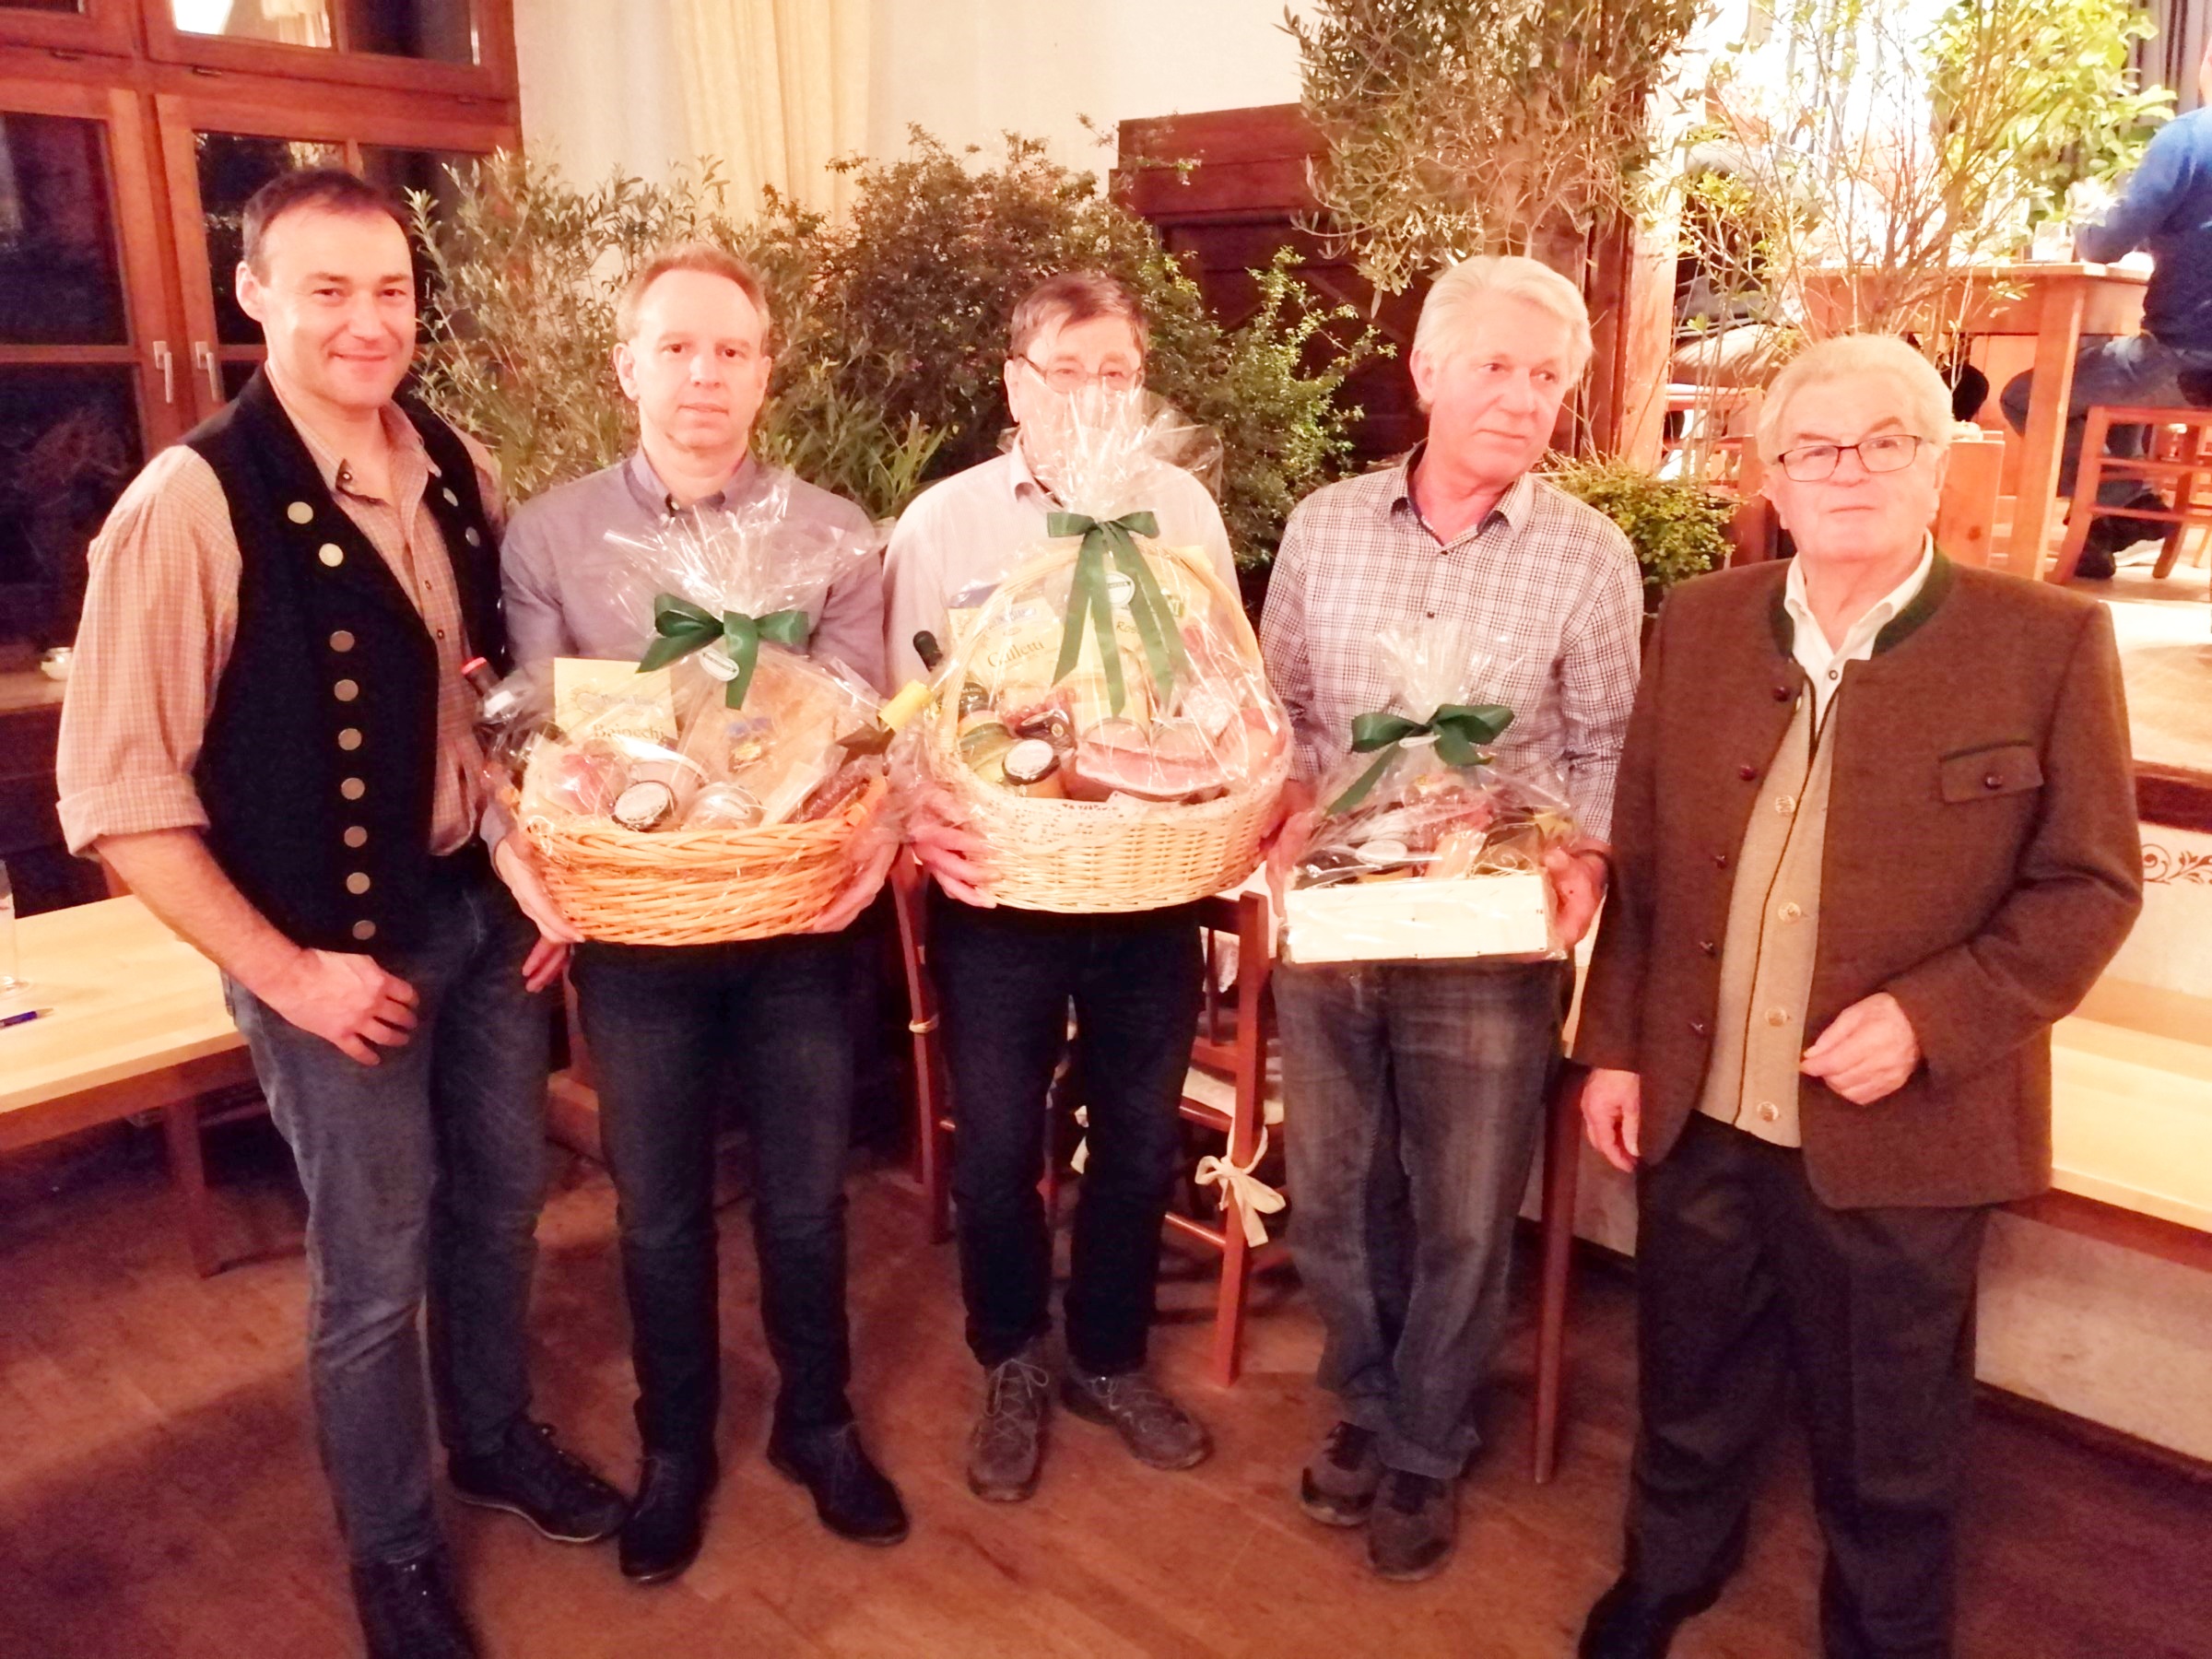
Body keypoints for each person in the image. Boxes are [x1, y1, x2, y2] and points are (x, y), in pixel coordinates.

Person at [53, 169, 625, 1659]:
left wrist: (518, 857)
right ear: (254, 297)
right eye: (327, 291)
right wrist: (291, 976)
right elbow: (119, 801)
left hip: (475, 922)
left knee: (502, 1207)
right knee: (374, 1266)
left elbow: (470, 711)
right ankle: (393, 1551)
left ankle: (490, 1442)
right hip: (322, 954)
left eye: (390, 292)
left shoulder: (454, 462)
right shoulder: (188, 505)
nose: (368, 323)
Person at [1574, 334, 2142, 1659]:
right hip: (1701, 1100)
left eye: (1888, 441)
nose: (1851, 470)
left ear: (1937, 465)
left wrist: (1933, 1019)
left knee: (1894, 1423)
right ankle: (1667, 1574)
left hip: (1906, 1128)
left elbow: (2089, 888)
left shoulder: (2048, 642)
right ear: (1772, 476)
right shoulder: (1700, 621)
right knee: (1689, 1376)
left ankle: (1889, 1634)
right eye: (1816, 448)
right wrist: (1616, 1047)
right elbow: (1644, 858)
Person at [499, 243, 907, 1582]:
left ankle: (818, 1421)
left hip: (793, 923)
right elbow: (540, 735)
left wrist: (840, 813)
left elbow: (853, 731)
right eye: (676, 347)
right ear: (629, 367)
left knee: (805, 1201)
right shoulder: (551, 535)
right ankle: (674, 1444)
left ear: (765, 373)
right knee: (659, 1210)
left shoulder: (832, 533)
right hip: (637, 933)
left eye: (731, 350)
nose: (703, 375)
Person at [1259, 254, 1641, 1582]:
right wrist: (1286, 809)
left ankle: (1427, 1436)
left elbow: (1607, 745)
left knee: (1469, 1206)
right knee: (1333, 1190)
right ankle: (1367, 1396)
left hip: (1488, 923)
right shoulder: (1323, 528)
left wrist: (1586, 859)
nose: (1524, 398)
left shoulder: (1588, 557)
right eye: (1496, 366)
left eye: (1549, 378)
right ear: (1426, 371)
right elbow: (1280, 709)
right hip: (1335, 919)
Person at [883, 272, 1234, 1502]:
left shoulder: (1179, 507)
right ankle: (1010, 1355)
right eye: (1067, 371)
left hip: (1146, 882)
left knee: (1138, 1140)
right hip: (1000, 890)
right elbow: (907, 714)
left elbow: (1223, 679)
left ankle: (1110, 1354)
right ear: (1014, 385)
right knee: (996, 1147)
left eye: (1117, 374)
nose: (1093, 395)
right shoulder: (943, 524)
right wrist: (923, 825)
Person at [1999, 38, 2212, 577]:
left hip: (2187, 362)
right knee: (2104, 367)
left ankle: (2126, 505)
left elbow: (2105, 243)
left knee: (2027, 396)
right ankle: (2113, 522)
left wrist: (2084, 221)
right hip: (2190, 362)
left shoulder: (2190, 137)